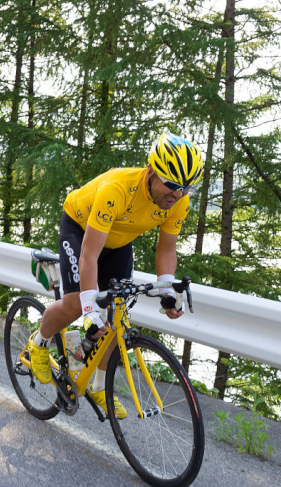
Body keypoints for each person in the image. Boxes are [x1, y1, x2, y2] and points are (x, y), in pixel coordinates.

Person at [28, 132, 203, 418]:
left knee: (115, 315)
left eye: (185, 188)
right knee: (75, 303)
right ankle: (39, 343)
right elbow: (88, 255)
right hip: (81, 230)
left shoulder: (178, 200)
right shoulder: (118, 189)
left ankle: (98, 385)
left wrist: (167, 288)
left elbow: (167, 249)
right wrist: (88, 308)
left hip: (118, 242)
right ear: (151, 172)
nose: (177, 194)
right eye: (171, 185)